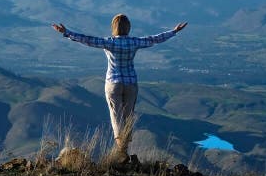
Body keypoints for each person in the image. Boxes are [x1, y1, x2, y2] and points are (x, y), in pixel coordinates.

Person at [52, 14, 188, 161]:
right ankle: (125, 149)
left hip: (113, 83)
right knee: (128, 116)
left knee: (116, 116)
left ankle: (120, 150)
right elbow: (154, 39)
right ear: (128, 27)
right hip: (130, 84)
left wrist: (66, 33)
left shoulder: (109, 42)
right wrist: (173, 31)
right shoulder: (134, 42)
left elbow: (88, 40)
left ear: (113, 27)